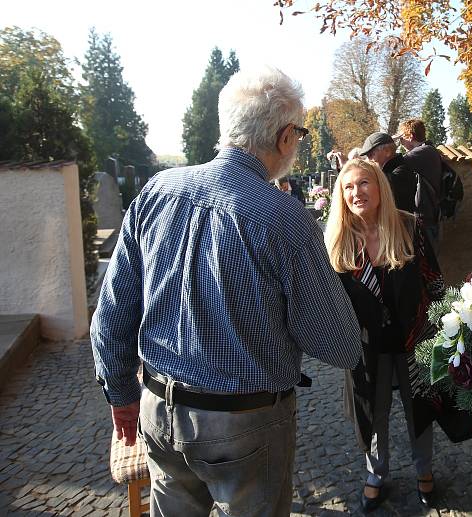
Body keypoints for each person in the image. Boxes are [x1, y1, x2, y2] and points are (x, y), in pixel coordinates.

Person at [90, 66, 363, 517]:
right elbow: (337, 342)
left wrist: (121, 394)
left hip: (158, 410)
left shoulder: (157, 191)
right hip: (245, 424)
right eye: (298, 133)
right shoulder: (284, 218)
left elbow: (113, 310)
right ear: (284, 138)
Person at [324, 158, 445, 512]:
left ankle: (424, 470)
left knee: (418, 410)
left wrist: (443, 333)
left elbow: (434, 282)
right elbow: (328, 302)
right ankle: (376, 474)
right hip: (366, 349)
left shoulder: (408, 226)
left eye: (363, 183)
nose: (356, 192)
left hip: (414, 340)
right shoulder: (336, 239)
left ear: (379, 187)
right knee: (372, 415)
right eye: (348, 187)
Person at [397, 119, 443, 252]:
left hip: (426, 220)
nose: (400, 143)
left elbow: (393, 163)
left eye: (401, 139)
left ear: (410, 136)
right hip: (427, 218)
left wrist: (389, 142)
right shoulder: (428, 151)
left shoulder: (423, 152)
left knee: (426, 263)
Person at [360, 132, 417, 214]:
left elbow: (385, 183)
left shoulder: (402, 171)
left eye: (371, 155)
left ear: (387, 151)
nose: (368, 160)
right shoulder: (394, 169)